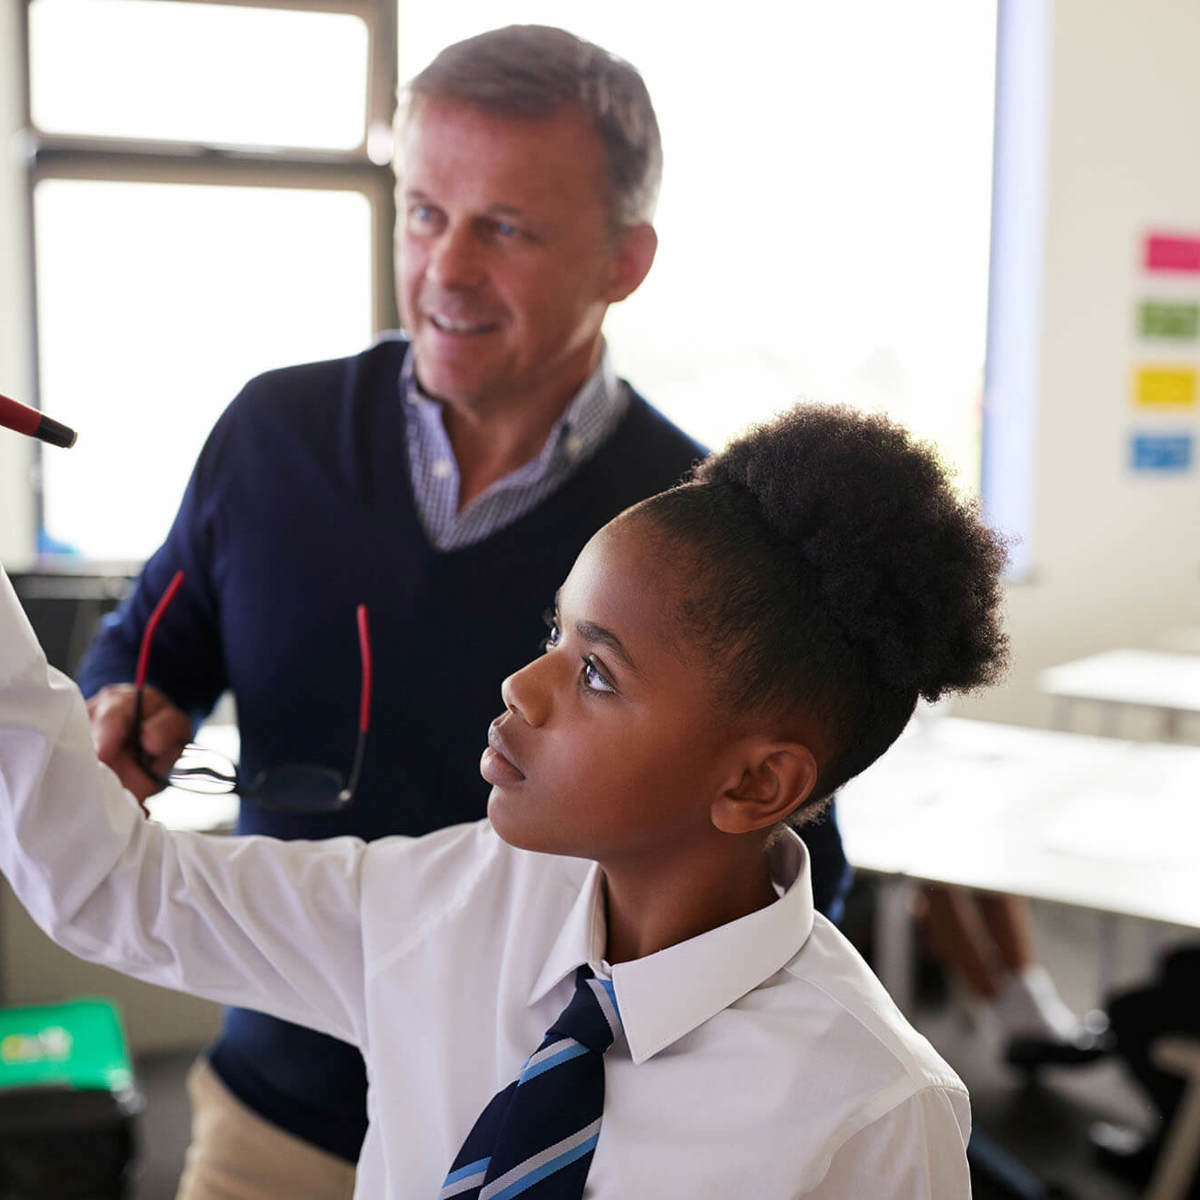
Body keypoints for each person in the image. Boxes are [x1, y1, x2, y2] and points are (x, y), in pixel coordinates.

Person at [72, 24, 853, 1198]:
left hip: (559, 1143)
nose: (446, 268)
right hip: (276, 1105)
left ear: (624, 260)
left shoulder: (703, 531)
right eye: (426, 213)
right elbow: (147, 645)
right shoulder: (271, 436)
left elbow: (787, 872)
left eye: (508, 228)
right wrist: (126, 704)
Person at [2, 403, 1006, 1197]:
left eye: (597, 674)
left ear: (754, 783)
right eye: (554, 634)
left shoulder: (870, 1112)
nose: (523, 685)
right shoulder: (459, 901)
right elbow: (112, 887)